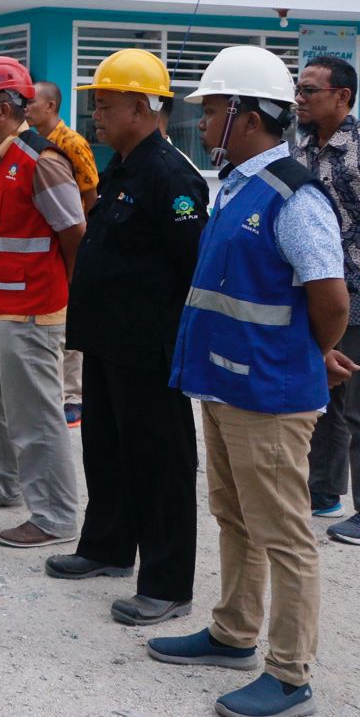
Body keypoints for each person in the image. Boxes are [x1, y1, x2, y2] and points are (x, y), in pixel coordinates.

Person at [148, 45, 353, 717]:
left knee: (285, 532)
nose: (202, 122)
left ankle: (290, 674)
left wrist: (309, 350)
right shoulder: (234, 184)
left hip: (269, 393)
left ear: (244, 114)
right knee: (234, 515)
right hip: (229, 385)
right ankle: (234, 632)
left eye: (210, 110)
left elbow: (331, 299)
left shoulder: (295, 197)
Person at [47, 50, 208, 628]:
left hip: (149, 350)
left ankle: (167, 585)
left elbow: (191, 270)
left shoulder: (173, 177)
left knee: (160, 465)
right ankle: (107, 546)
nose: (97, 116)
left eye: (107, 106)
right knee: (107, 451)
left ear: (142, 109)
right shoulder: (120, 166)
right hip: (108, 342)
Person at [0, 56, 85, 549]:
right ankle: (0, 483)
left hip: (31, 310)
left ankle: (54, 515)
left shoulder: (41, 162)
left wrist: (62, 293)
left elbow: (74, 234)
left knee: (35, 414)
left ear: (5, 109)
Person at [293, 54, 360, 543]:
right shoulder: (301, 145)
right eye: (299, 88)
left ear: (342, 97)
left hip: (355, 292)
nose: (300, 97)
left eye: (310, 90)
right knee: (324, 394)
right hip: (315, 287)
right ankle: (324, 490)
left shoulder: (357, 151)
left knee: (356, 405)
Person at [27, 80, 99, 428]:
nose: (26, 107)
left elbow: (90, 194)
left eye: (33, 101)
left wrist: (80, 240)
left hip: (72, 240)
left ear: (52, 105)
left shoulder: (72, 143)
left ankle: (75, 396)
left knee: (73, 325)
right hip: (45, 246)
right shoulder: (29, 144)